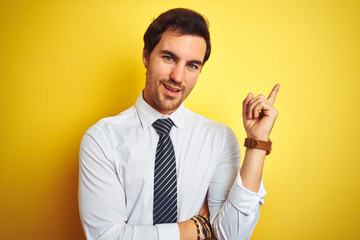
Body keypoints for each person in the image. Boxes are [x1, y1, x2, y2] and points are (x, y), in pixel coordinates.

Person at [78, 8, 279, 240]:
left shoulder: (219, 138)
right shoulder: (102, 140)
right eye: (169, 58)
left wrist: (257, 143)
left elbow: (231, 235)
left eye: (192, 65)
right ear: (146, 56)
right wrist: (195, 228)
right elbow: (106, 237)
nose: (178, 77)